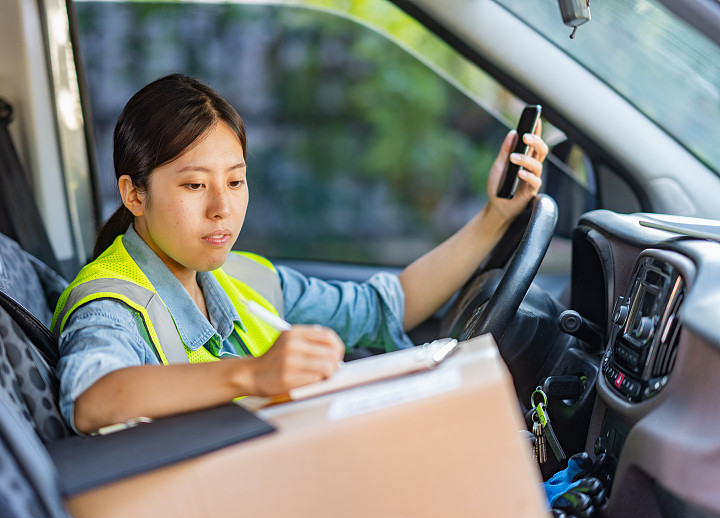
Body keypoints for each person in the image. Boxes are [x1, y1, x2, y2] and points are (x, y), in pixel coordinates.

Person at [53, 74, 547, 434]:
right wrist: (253, 374)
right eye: (195, 185)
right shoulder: (111, 303)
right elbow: (91, 397)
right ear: (134, 194)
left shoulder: (243, 279)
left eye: (235, 181)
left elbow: (384, 307)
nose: (222, 207)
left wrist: (495, 218)